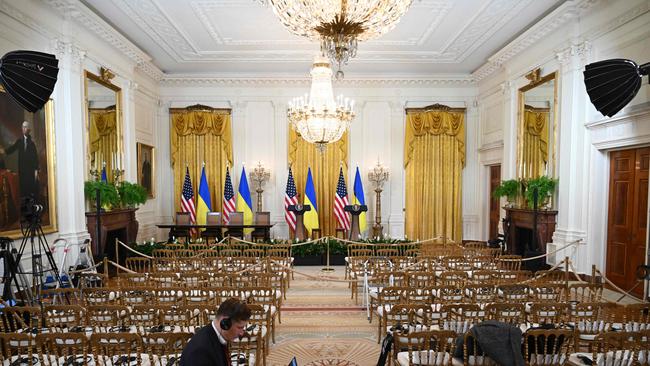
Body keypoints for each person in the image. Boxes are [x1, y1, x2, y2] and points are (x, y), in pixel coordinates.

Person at [180, 298, 252, 366]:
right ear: (225, 323)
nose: (241, 333)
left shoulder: (215, 335)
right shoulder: (200, 352)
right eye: (240, 327)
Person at [0, 121, 39, 201]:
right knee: (23, 191)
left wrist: (36, 171)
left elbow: (35, 159)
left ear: (29, 130)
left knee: (31, 190)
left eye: (26, 127)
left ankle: (32, 207)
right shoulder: (19, 141)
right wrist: (3, 151)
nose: (24, 129)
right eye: (23, 127)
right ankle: (25, 209)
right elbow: (12, 149)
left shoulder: (32, 144)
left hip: (30, 171)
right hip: (22, 170)